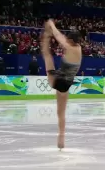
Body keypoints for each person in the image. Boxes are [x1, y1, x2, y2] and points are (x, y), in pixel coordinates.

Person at [41, 19, 82, 149]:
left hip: (58, 80)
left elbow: (59, 37)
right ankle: (61, 136)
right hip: (66, 83)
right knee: (61, 113)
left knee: (47, 55)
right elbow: (62, 38)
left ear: (72, 40)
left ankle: (46, 36)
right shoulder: (78, 48)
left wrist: (51, 26)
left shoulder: (70, 48)